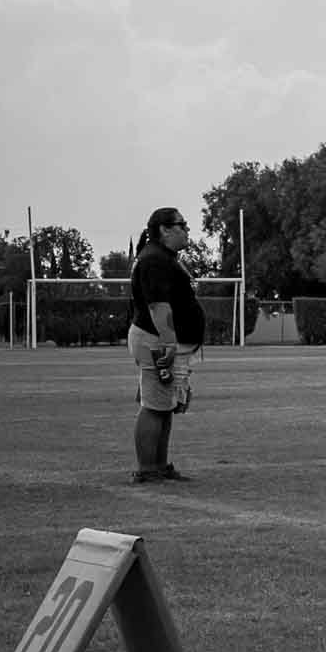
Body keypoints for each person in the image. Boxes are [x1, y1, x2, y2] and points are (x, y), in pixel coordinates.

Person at [128, 206, 205, 484]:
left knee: (164, 405)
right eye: (182, 225)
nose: (187, 230)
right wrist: (169, 344)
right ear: (164, 229)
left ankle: (158, 465)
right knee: (154, 406)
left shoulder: (163, 257)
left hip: (162, 340)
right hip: (157, 340)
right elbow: (158, 306)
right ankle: (148, 468)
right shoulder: (155, 260)